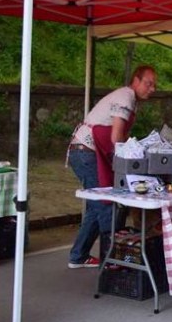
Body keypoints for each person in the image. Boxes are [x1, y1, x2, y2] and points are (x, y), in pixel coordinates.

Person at [67, 65, 157, 268]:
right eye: (148, 83)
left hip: (83, 151)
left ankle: (78, 256)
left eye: (154, 85)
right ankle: (112, 259)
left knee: (95, 205)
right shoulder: (126, 96)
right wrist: (126, 165)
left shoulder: (129, 99)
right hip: (86, 152)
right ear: (136, 80)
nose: (152, 89)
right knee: (108, 204)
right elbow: (116, 136)